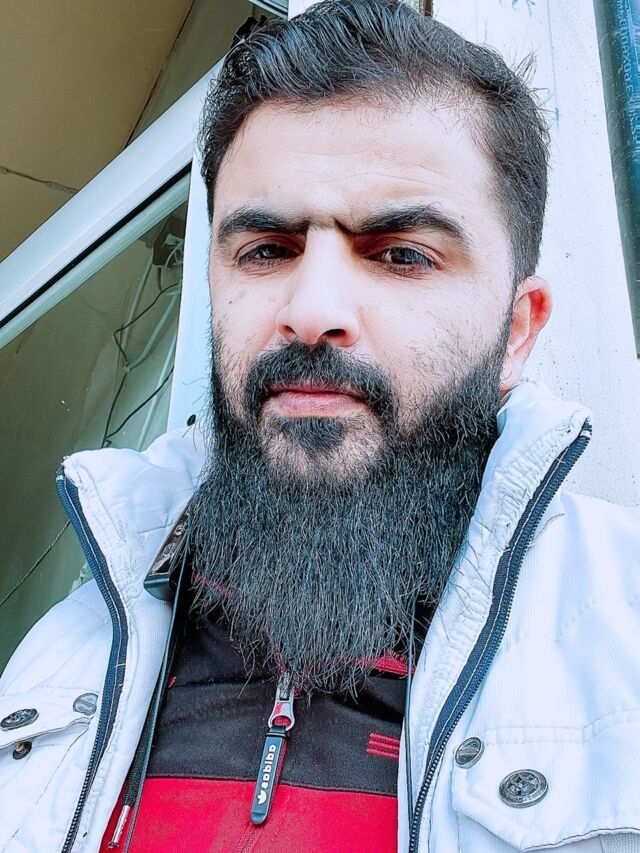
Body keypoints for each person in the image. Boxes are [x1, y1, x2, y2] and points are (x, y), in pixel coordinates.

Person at [1, 1, 639, 851]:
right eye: (266, 250)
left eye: (402, 253)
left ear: (517, 331)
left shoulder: (624, 635)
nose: (311, 310)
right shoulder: (67, 644)